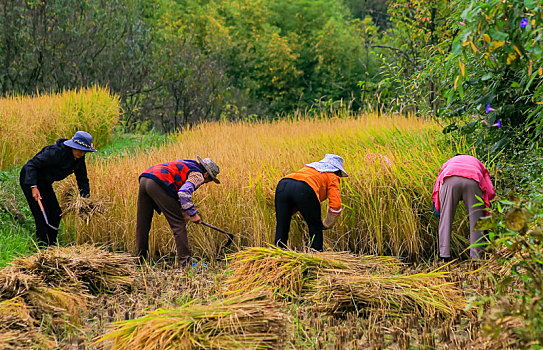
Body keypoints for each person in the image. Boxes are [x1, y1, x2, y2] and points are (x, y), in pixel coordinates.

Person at [136, 156, 220, 267]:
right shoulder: (198, 175)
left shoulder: (189, 164)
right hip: (160, 182)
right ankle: (186, 263)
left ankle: (140, 262)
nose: (206, 183)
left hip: (145, 178)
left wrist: (184, 210)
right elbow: (183, 193)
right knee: (179, 225)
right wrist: (193, 214)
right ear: (207, 174)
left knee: (143, 224)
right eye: (209, 180)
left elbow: (176, 188)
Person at [20, 131, 97, 246]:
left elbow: (82, 178)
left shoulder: (79, 158)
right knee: (42, 215)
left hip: (45, 183)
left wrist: (85, 198)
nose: (82, 153)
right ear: (73, 146)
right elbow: (31, 165)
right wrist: (33, 186)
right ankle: (42, 247)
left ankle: (52, 244)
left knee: (56, 213)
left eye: (84, 151)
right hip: (30, 180)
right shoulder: (56, 152)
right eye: (80, 150)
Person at [274, 154, 347, 251]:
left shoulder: (309, 169)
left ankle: (278, 255)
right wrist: (327, 224)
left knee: (282, 224)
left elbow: (294, 194)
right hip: (305, 188)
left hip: (283, 184)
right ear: (337, 170)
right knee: (315, 227)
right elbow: (336, 204)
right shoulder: (332, 176)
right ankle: (316, 256)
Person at [431, 154, 496, 260]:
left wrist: (438, 209)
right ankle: (476, 256)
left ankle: (444, 255)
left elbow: (437, 187)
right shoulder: (477, 162)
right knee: (476, 220)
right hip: (473, 180)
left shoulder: (449, 162)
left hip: (450, 178)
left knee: (445, 218)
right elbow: (490, 191)